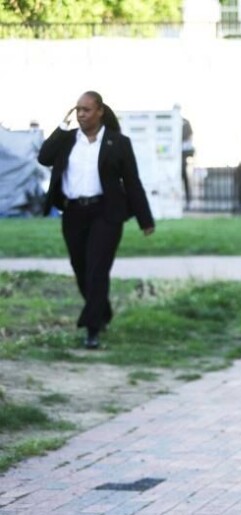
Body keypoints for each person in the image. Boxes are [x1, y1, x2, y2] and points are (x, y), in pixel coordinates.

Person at [38, 91, 155, 349]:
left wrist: (145, 220)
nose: (81, 114)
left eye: (86, 109)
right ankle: (102, 311)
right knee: (81, 268)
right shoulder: (67, 140)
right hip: (73, 213)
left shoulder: (118, 143)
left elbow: (132, 182)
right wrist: (62, 125)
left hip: (106, 213)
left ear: (100, 111)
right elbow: (44, 157)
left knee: (97, 269)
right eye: (77, 109)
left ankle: (92, 329)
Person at [175, 104, 194, 207]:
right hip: (174, 154)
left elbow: (190, 136)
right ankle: (177, 199)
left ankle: (187, 200)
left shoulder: (185, 122)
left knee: (184, 177)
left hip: (182, 154)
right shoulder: (172, 121)